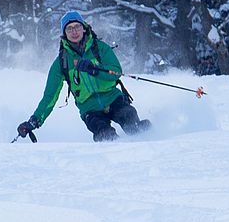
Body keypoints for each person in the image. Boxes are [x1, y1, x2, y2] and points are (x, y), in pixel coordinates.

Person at [18, 11, 149, 142]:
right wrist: (35, 120)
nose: (74, 31)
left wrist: (95, 70)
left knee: (132, 123)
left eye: (77, 27)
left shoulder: (100, 48)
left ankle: (152, 146)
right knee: (105, 135)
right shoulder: (61, 62)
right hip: (90, 109)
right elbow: (50, 96)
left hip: (113, 98)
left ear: (84, 28)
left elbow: (116, 72)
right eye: (69, 29)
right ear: (64, 34)